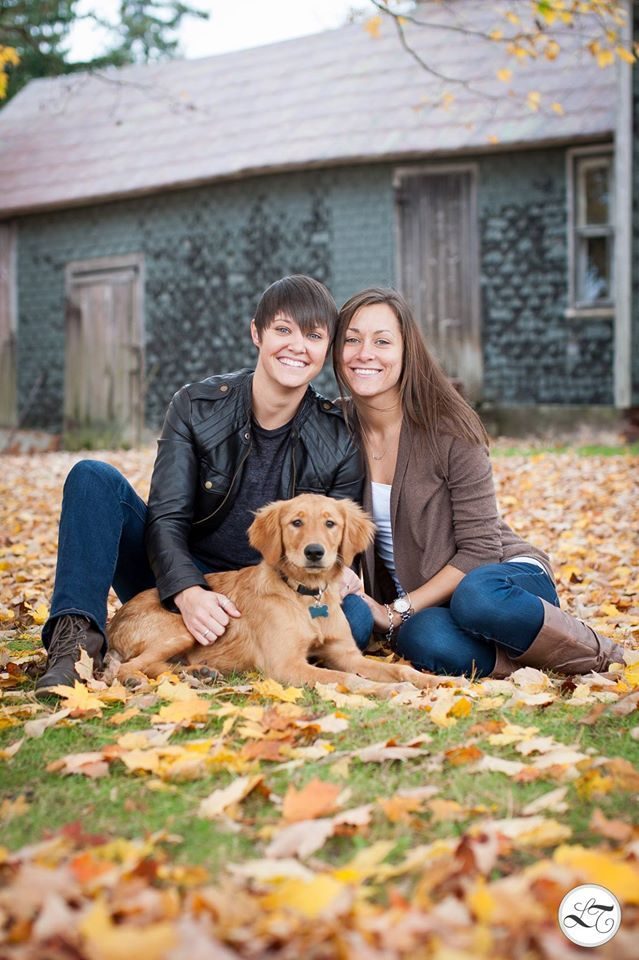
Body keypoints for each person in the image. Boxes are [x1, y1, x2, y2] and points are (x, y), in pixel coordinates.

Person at [36, 275, 373, 694]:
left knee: (354, 621)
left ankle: (206, 660)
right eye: (283, 330)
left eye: (313, 335)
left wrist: (345, 576)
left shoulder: (338, 435)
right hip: (173, 574)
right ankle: (74, 647)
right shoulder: (196, 406)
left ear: (327, 349)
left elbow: (335, 534)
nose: (297, 346)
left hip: (274, 588)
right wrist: (186, 590)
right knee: (92, 477)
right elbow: (166, 517)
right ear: (257, 332)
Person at [332, 287, 626, 678]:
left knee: (478, 598)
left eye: (382, 341)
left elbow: (481, 551)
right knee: (424, 640)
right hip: (430, 606)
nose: (364, 352)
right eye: (352, 339)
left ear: (407, 352)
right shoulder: (335, 428)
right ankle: (521, 663)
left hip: (502, 578)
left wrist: (395, 610)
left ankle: (602, 655)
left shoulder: (448, 427)